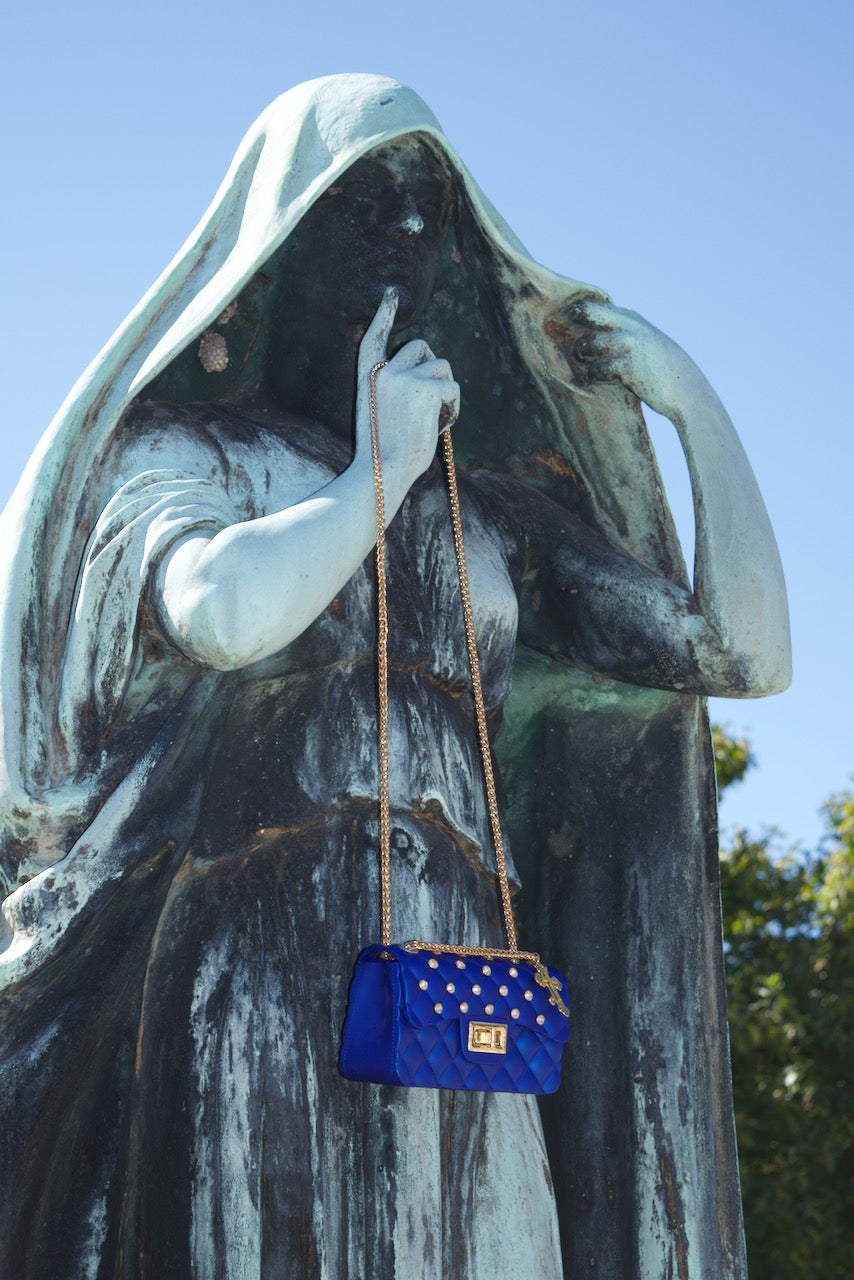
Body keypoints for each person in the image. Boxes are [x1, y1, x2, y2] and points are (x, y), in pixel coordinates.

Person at [0, 75, 789, 1279]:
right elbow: (221, 613)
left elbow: (740, 653)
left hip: (465, 970)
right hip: (266, 953)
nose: (409, 236)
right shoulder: (194, 454)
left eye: (428, 210)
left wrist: (692, 407)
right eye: (364, 203)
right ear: (273, 252)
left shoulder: (488, 512)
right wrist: (377, 472)